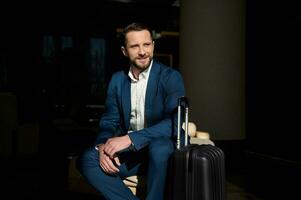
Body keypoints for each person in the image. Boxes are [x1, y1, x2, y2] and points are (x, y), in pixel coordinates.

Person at [76, 22, 186, 200]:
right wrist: (103, 146)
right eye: (135, 46)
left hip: (162, 153)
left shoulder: (171, 77)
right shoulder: (117, 80)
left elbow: (175, 122)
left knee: (160, 147)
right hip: (132, 156)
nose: (142, 51)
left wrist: (130, 139)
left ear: (153, 45)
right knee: (88, 159)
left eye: (147, 44)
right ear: (124, 51)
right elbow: (110, 121)